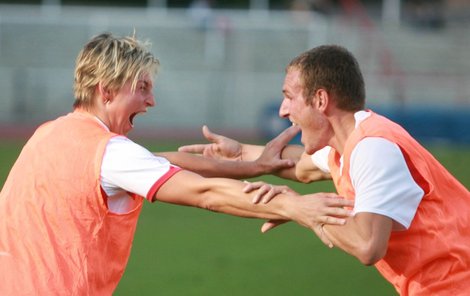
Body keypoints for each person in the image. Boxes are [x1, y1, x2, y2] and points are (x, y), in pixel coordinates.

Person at [0, 33, 354, 295]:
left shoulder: (50, 135)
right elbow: (206, 193)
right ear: (106, 91)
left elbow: (163, 162)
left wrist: (254, 165)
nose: (151, 100)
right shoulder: (110, 153)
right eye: (141, 88)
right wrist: (295, 206)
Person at [179, 45, 470, 295]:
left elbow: (368, 245)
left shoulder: (373, 148)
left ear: (320, 100)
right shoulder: (348, 146)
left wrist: (301, 210)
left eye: (289, 96)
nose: (282, 110)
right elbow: (300, 167)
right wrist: (241, 153)